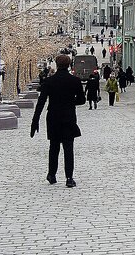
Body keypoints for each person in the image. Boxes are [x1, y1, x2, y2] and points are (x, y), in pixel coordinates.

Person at [30, 53, 85, 187]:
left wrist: (35, 121)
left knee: (53, 147)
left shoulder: (49, 81)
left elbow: (41, 102)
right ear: (69, 64)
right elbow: (82, 100)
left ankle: (52, 175)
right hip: (68, 117)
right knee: (68, 148)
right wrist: (71, 102)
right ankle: (69, 178)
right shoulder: (75, 81)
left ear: (56, 64)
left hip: (53, 117)